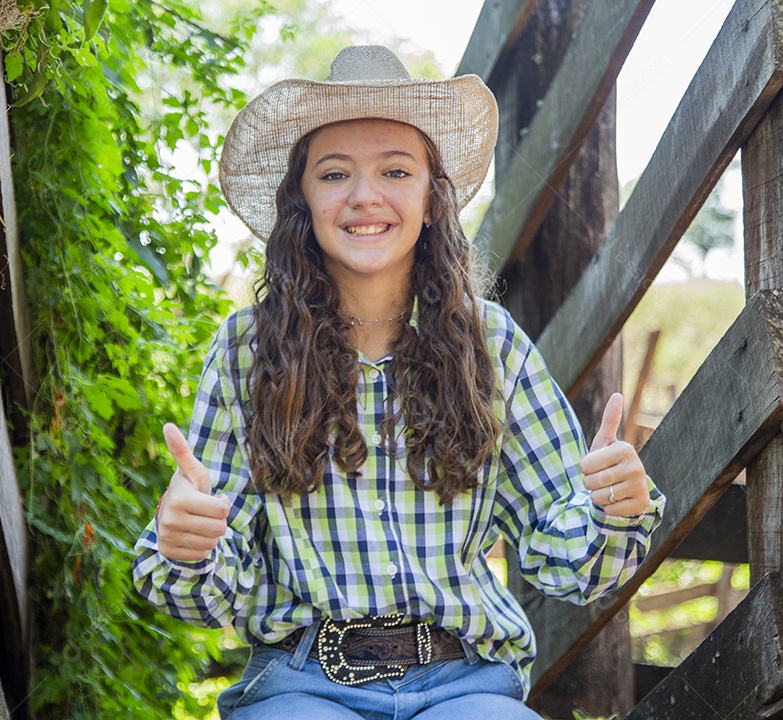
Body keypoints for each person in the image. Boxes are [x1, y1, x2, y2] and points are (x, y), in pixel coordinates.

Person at [133, 45, 665, 719]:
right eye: (334, 174)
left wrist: (611, 511)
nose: (365, 196)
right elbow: (206, 595)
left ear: (431, 198)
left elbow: (571, 561)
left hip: (467, 682)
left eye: (395, 170)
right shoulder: (246, 351)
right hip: (301, 681)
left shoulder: (491, 344)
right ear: (302, 198)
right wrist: (188, 547)